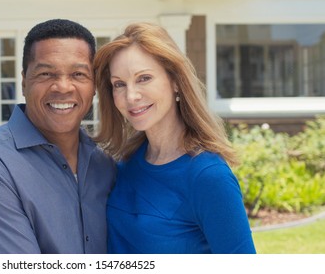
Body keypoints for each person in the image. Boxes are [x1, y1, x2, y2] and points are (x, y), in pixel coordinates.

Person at [0, 19, 116, 254]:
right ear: (23, 82)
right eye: (46, 73)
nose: (62, 87)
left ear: (94, 86)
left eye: (78, 74)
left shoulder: (104, 163)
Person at [93, 22, 256, 254]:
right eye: (119, 84)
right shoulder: (127, 162)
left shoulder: (208, 177)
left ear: (176, 81)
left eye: (144, 78)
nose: (131, 96)